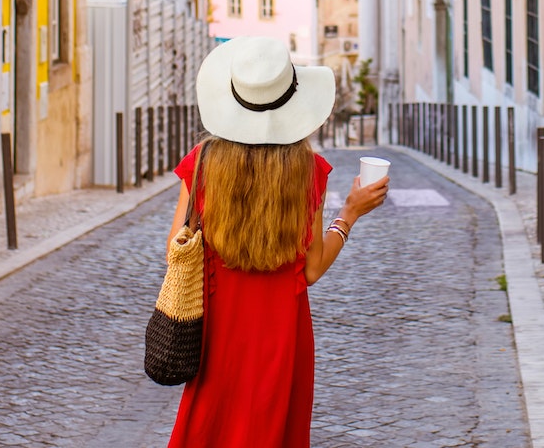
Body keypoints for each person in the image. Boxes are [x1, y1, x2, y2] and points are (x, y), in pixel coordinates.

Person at [165, 36, 389, 448]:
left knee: (209, 426)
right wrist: (350, 214)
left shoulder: (202, 163)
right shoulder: (309, 171)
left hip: (218, 328)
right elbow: (313, 269)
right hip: (282, 332)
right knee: (273, 428)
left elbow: (175, 250)